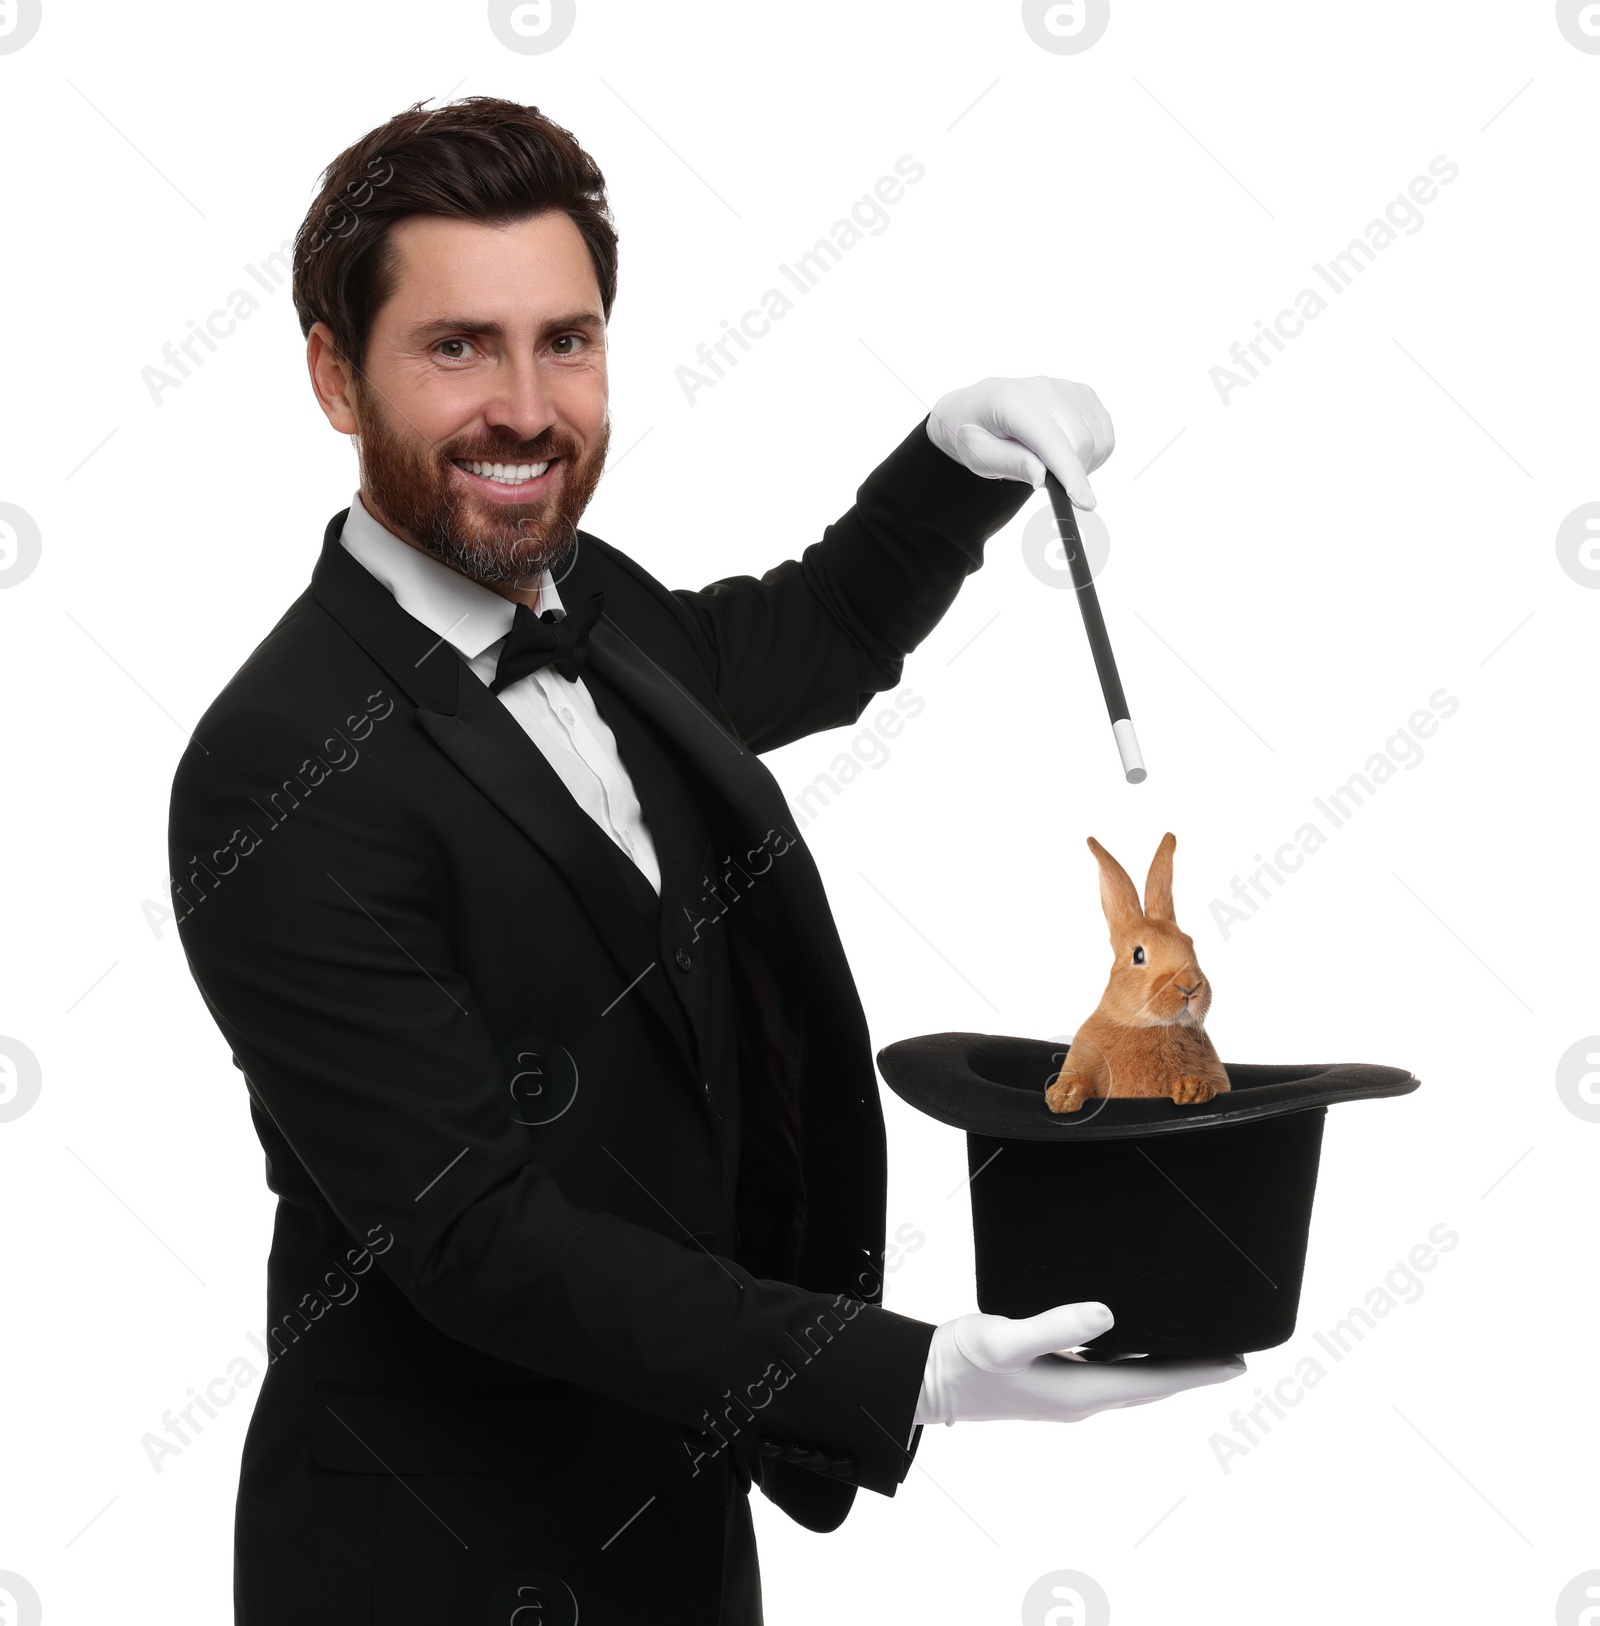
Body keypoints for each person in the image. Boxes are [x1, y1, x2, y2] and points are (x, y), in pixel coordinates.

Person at [166, 95, 1243, 1626]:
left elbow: (808, 634)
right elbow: (475, 1238)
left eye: (568, 339)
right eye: (458, 346)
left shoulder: (590, 601)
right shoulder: (276, 767)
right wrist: (904, 1370)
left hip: (671, 1510)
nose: (526, 406)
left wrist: (953, 458)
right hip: (431, 1557)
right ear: (338, 375)